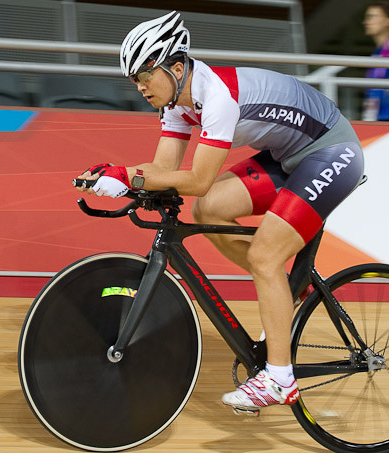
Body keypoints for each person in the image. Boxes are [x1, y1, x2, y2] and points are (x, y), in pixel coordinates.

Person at [75, 11, 364, 412]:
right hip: (288, 155)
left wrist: (130, 177)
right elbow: (163, 172)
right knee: (211, 210)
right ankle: (283, 290)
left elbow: (197, 179)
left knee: (263, 252)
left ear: (177, 67)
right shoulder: (176, 102)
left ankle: (280, 379)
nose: (140, 86)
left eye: (145, 75)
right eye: (134, 80)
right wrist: (124, 178)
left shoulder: (218, 97)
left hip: (332, 152)